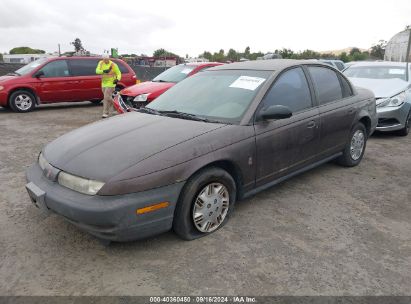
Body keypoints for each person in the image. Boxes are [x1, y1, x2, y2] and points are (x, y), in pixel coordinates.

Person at [95, 54, 122, 118]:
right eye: (104, 59)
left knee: (106, 97)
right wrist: (104, 71)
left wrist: (117, 79)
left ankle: (105, 113)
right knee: (107, 97)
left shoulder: (113, 65)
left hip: (111, 83)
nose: (105, 61)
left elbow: (119, 73)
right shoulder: (101, 63)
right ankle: (117, 106)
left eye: (106, 59)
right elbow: (97, 71)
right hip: (104, 83)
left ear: (109, 59)